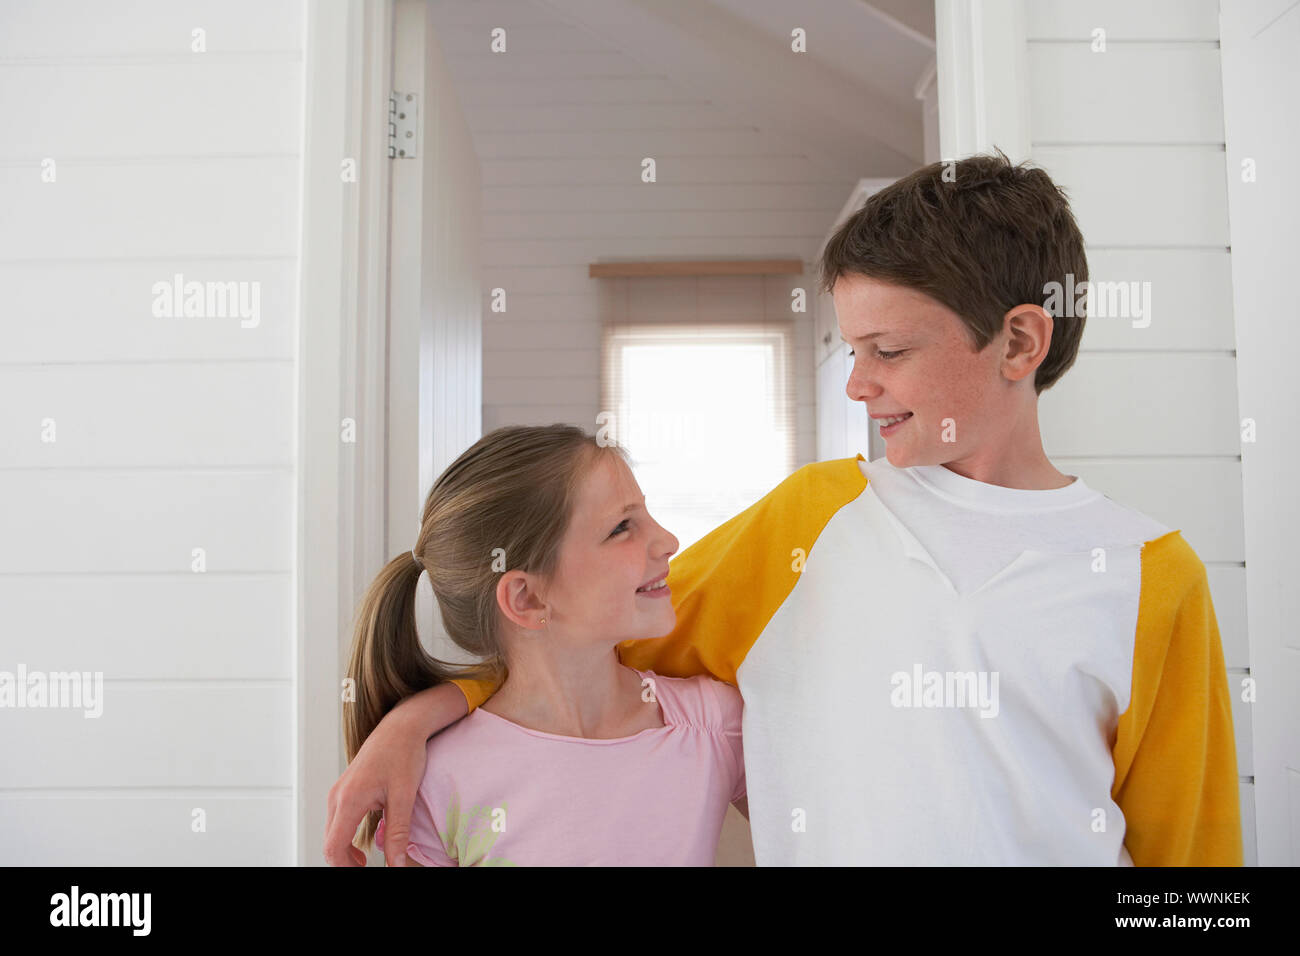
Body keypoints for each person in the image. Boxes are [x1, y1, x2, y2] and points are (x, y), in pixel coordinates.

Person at [326, 151, 1241, 866]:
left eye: (887, 349)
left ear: (1019, 340)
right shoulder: (810, 522)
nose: (857, 383)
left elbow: (1192, 873)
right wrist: (421, 718)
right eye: (852, 348)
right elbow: (579, 638)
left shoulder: (1147, 577)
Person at [340, 424, 745, 866]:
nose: (668, 541)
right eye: (622, 527)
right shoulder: (434, 780)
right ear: (527, 598)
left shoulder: (717, 727)